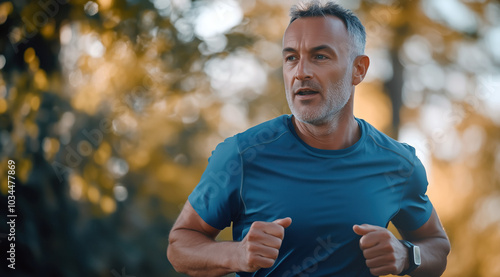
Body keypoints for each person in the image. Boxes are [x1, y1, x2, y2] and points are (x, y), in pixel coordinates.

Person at [167, 1, 451, 276]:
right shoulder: (242, 155)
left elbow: (437, 247)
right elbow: (180, 245)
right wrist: (236, 254)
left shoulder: (399, 165)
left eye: (320, 56)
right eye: (291, 58)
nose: (301, 72)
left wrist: (405, 255)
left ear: (358, 69)